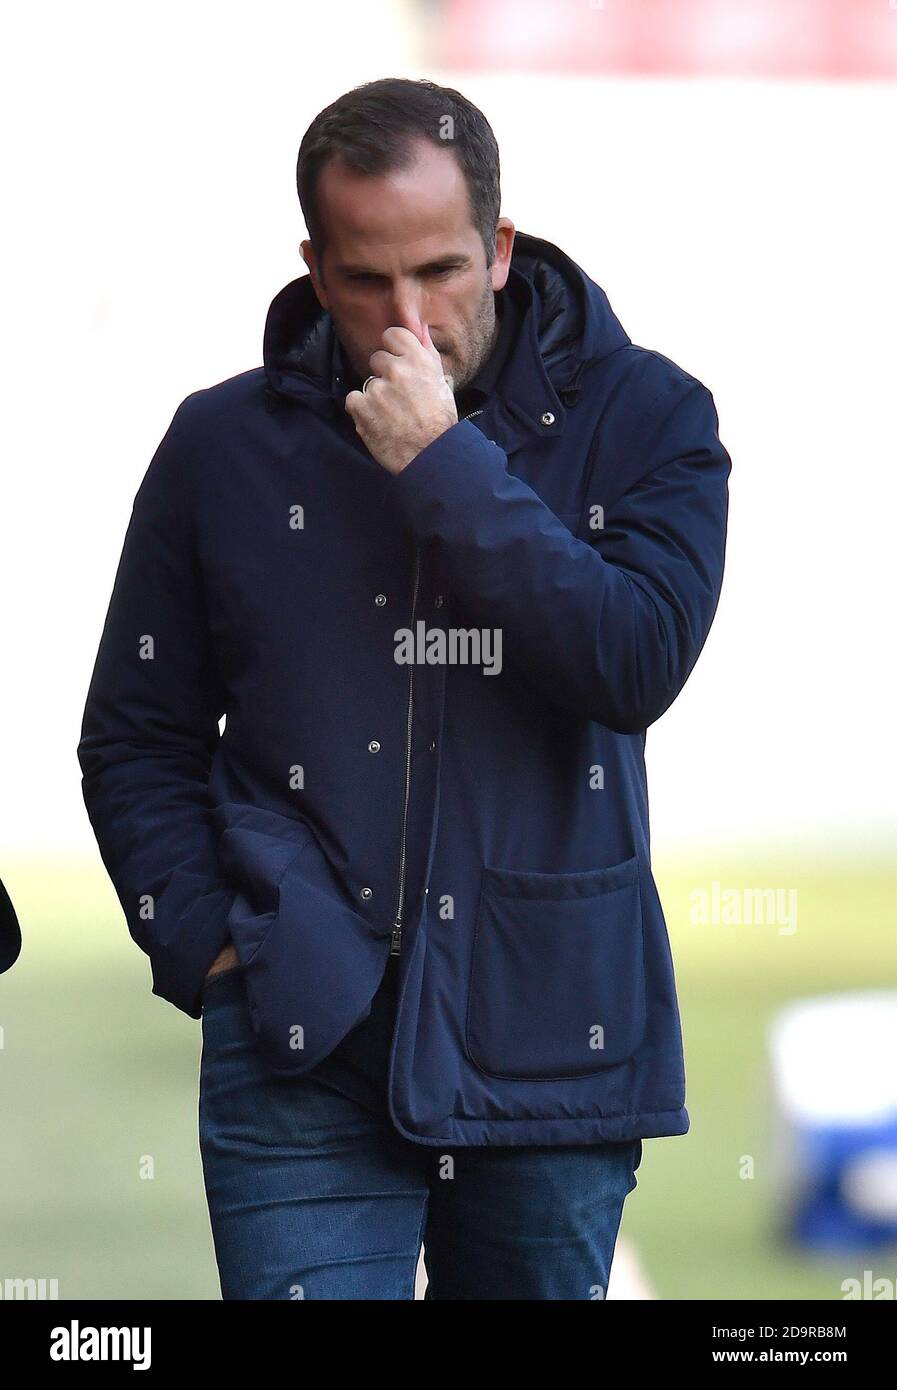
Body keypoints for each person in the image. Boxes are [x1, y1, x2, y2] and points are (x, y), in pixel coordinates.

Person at [77, 76, 731, 1300]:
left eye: (439, 271)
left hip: (553, 1042)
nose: (409, 320)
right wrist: (213, 953)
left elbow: (634, 659)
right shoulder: (219, 448)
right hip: (296, 1035)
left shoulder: (652, 417)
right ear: (315, 266)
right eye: (369, 280)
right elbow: (133, 735)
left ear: (501, 247)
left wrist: (445, 465)